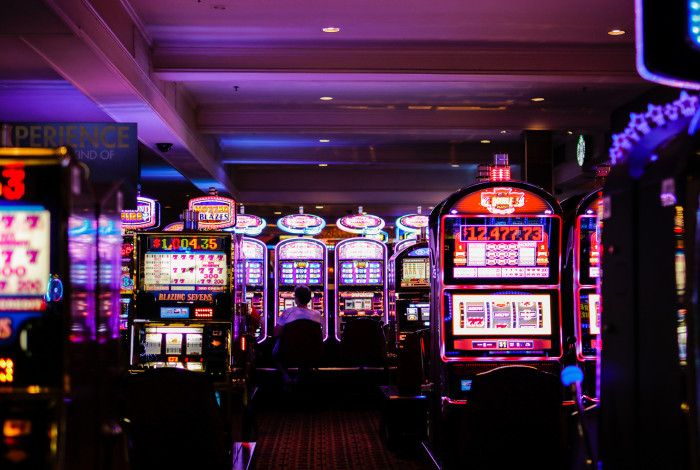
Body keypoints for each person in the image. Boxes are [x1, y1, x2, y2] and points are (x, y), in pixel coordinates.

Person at [272, 285, 322, 386]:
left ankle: (285, 375)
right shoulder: (317, 314)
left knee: (275, 351)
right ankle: (300, 377)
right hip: (310, 352)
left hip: (289, 351)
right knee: (305, 350)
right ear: (309, 299)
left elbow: (276, 333)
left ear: (296, 299)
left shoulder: (287, 312)